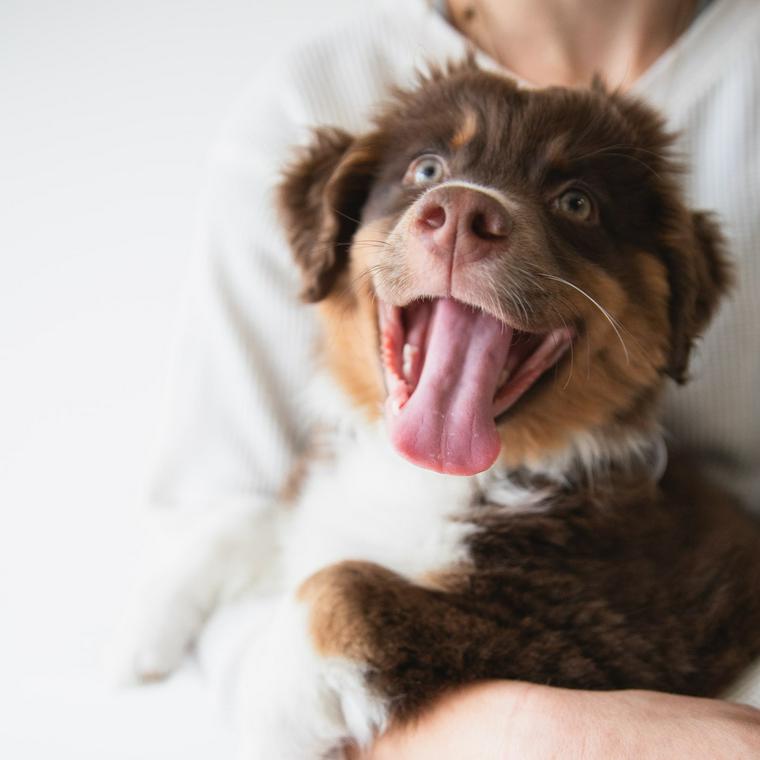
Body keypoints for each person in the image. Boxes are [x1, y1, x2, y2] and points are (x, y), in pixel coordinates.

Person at [147, 0, 760, 756]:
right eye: (427, 172)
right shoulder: (314, 86)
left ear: (675, 303)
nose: (461, 210)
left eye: (576, 203)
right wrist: (544, 733)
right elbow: (214, 511)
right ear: (330, 234)